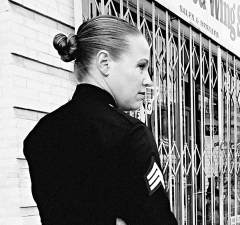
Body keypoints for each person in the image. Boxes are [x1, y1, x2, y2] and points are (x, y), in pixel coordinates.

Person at [23, 15, 177, 225]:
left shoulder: (39, 135)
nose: (148, 80)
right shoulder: (130, 135)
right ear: (104, 63)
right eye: (141, 66)